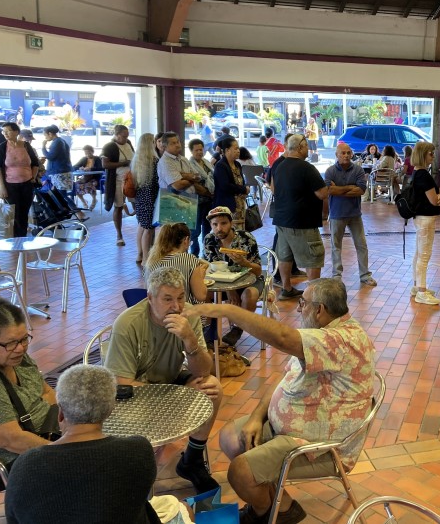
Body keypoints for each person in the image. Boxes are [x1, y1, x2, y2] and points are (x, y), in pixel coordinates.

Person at [183, 278, 375, 524]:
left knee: (240, 473)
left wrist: (228, 310)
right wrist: (256, 417)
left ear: (319, 310)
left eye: (303, 303)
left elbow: (282, 337)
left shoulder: (341, 340)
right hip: (294, 428)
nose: (299, 309)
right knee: (230, 437)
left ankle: (267, 513)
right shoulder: (320, 335)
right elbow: (286, 380)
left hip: (322, 447)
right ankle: (282, 508)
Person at [103, 266, 221, 493]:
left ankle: (193, 460)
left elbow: (204, 370)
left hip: (170, 379)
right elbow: (122, 383)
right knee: (138, 425)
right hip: (134, 393)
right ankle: (135, 483)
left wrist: (190, 340)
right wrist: (178, 393)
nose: (176, 306)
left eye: (180, 297)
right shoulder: (128, 324)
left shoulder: (188, 315)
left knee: (212, 388)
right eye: (167, 299)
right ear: (150, 298)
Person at [4, 365, 157, 524]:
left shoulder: (26, 465)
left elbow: (13, 517)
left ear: (60, 413)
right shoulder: (138, 451)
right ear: (110, 410)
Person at [0, 299, 56, 497]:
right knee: (82, 469)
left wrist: (63, 428)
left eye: (24, 339)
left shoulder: (17, 359)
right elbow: (9, 439)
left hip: (39, 439)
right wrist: (62, 453)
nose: (21, 348)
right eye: (10, 343)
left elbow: (47, 393)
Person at [271, 134, 330, 299]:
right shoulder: (306, 168)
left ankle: (286, 288)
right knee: (314, 257)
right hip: (302, 221)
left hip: (281, 219)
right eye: (306, 146)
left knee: (285, 255)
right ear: (300, 147)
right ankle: (312, 295)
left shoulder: (279, 166)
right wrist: (329, 186)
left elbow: (273, 189)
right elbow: (322, 193)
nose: (308, 149)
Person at [203, 206, 265, 345]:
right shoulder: (209, 239)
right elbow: (210, 268)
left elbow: (258, 271)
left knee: (250, 295)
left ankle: (238, 328)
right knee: (201, 293)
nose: (219, 228)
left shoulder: (245, 238)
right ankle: (209, 329)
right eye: (215, 224)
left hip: (249, 279)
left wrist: (244, 263)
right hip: (222, 283)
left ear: (231, 223)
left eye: (223, 223)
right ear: (210, 225)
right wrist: (229, 290)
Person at [324, 143, 377, 287]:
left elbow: (361, 190)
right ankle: (336, 275)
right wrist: (349, 187)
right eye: (343, 153)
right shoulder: (330, 171)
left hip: (355, 214)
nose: (346, 155)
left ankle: (365, 275)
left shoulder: (358, 170)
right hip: (336, 214)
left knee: (361, 245)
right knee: (336, 246)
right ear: (337, 154)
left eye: (348, 153)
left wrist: (338, 189)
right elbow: (329, 190)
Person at [410, 141, 440, 306]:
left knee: (419, 253)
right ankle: (422, 292)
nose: (433, 157)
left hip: (420, 218)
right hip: (426, 218)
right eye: (431, 154)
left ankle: (417, 286)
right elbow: (434, 200)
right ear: (423, 154)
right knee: (424, 255)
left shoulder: (417, 172)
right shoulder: (424, 175)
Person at [146, 222, 210, 307]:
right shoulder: (190, 260)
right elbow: (201, 296)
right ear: (186, 240)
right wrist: (200, 277)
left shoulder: (151, 261)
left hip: (157, 311)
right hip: (182, 310)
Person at [158, 131, 204, 249]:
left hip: (189, 202)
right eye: (173, 143)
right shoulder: (165, 162)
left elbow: (198, 176)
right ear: (165, 146)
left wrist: (184, 175)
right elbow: (177, 185)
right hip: (173, 204)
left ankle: (189, 259)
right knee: (175, 239)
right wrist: (191, 177)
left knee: (190, 236)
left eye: (178, 142)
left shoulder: (183, 159)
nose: (178, 145)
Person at [0, 122, 39, 238]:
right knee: (13, 214)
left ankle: (21, 238)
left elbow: (35, 164)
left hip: (27, 184)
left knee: (23, 213)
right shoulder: (2, 147)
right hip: (10, 185)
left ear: (16, 132)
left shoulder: (26, 146)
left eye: (8, 131)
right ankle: (12, 239)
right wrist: (2, 187)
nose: (5, 134)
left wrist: (33, 178)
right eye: (3, 131)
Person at [101, 124, 135, 246]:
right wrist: (123, 163)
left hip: (131, 179)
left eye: (127, 136)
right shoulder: (109, 146)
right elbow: (105, 164)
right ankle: (119, 235)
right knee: (118, 206)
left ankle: (143, 229)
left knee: (137, 204)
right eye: (123, 136)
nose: (126, 138)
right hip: (117, 180)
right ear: (116, 135)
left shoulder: (128, 143)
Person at [129, 132, 158, 263]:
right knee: (149, 230)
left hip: (140, 198)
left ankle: (140, 254)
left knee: (142, 226)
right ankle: (146, 258)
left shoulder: (136, 161)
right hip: (151, 198)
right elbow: (157, 181)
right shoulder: (154, 161)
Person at [213, 136, 248, 228]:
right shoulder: (220, 166)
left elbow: (241, 181)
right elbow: (225, 186)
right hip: (228, 207)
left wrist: (245, 189)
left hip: (240, 206)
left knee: (240, 232)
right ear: (227, 150)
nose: (238, 151)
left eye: (238, 148)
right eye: (235, 148)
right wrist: (243, 189)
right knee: (229, 232)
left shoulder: (237, 164)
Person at [188, 138, 216, 254]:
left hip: (209, 201)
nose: (199, 152)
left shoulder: (206, 162)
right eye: (196, 150)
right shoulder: (189, 165)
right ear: (191, 151)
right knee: (195, 230)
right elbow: (193, 184)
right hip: (196, 201)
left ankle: (207, 252)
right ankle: (194, 253)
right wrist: (208, 192)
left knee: (207, 228)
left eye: (201, 149)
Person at [41, 125, 73, 191]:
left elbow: (50, 156)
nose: (45, 137)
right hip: (61, 171)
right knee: (60, 193)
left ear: (50, 134)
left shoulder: (57, 142)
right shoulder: (60, 141)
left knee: (61, 193)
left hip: (60, 172)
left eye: (45, 135)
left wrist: (43, 147)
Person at [72, 145, 103, 211]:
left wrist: (91, 169)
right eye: (86, 153)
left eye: (89, 152)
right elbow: (74, 166)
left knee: (90, 185)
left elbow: (101, 168)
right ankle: (83, 201)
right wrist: (79, 168)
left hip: (94, 178)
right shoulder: (84, 159)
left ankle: (94, 200)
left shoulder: (97, 159)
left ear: (92, 152)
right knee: (76, 185)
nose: (87, 154)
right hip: (85, 178)